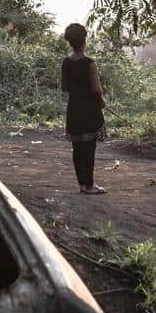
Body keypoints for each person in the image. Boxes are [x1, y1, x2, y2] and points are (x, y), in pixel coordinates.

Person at [60, 22, 107, 194]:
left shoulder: (66, 63)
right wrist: (102, 102)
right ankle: (90, 186)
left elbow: (64, 87)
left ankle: (82, 184)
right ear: (84, 40)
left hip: (73, 109)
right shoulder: (90, 63)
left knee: (77, 147)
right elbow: (96, 89)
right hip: (89, 110)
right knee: (89, 148)